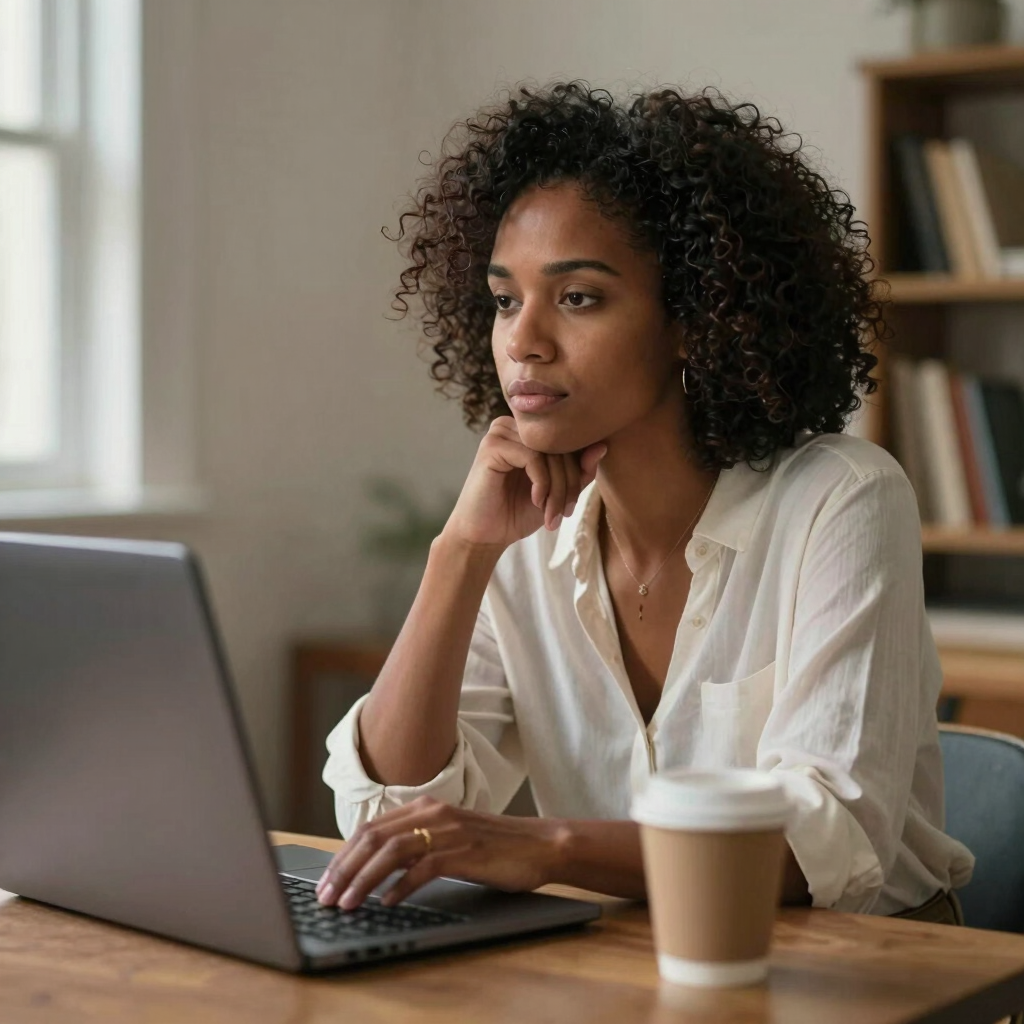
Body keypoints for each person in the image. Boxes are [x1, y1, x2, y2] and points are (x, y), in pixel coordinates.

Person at [317, 81, 973, 922]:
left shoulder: (840, 500)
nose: (523, 340)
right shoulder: (520, 536)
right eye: (505, 299)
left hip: (858, 974)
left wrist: (546, 848)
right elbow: (382, 815)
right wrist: (462, 553)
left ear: (693, 320)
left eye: (578, 297)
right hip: (626, 969)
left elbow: (826, 842)